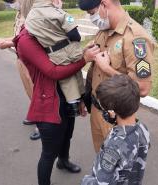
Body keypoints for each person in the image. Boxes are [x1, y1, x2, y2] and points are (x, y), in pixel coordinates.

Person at [13, 24, 98, 184]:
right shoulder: (27, 38)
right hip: (48, 102)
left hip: (68, 95)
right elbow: (53, 71)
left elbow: (69, 59)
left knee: (67, 136)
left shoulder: (54, 27)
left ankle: (63, 161)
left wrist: (78, 98)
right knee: (49, 151)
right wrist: (84, 59)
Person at [79, 0, 155, 152]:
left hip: (117, 118)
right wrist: (85, 97)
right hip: (96, 108)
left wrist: (107, 68)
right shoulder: (103, 30)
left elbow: (143, 88)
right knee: (101, 157)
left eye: (92, 13)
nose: (92, 18)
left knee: (119, 168)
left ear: (104, 5)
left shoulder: (136, 38)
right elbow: (95, 70)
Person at [81, 74, 150, 185]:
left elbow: (101, 182)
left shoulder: (113, 147)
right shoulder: (143, 128)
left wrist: (86, 181)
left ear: (111, 112)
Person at [25, 0, 85, 116]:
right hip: (70, 49)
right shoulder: (58, 13)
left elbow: (33, 36)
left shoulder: (29, 18)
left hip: (52, 54)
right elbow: (75, 35)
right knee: (75, 73)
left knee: (66, 79)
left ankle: (73, 104)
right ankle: (80, 102)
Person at [0, 0, 41, 140]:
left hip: (32, 60)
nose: (11, 4)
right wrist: (2, 40)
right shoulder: (20, 13)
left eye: (13, 1)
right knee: (29, 90)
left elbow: (32, 38)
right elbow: (18, 36)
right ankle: (35, 114)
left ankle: (42, 124)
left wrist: (8, 43)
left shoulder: (34, 13)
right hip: (21, 57)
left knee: (38, 92)